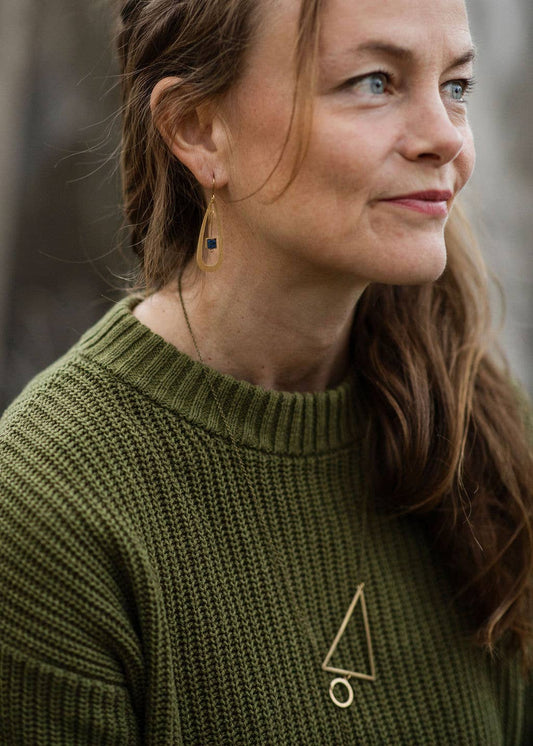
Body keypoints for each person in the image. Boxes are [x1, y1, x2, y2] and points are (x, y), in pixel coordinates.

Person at [0, 0, 531, 742]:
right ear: (197, 129)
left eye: (456, 86)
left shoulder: (470, 419)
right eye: (374, 82)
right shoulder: (53, 507)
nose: (445, 136)